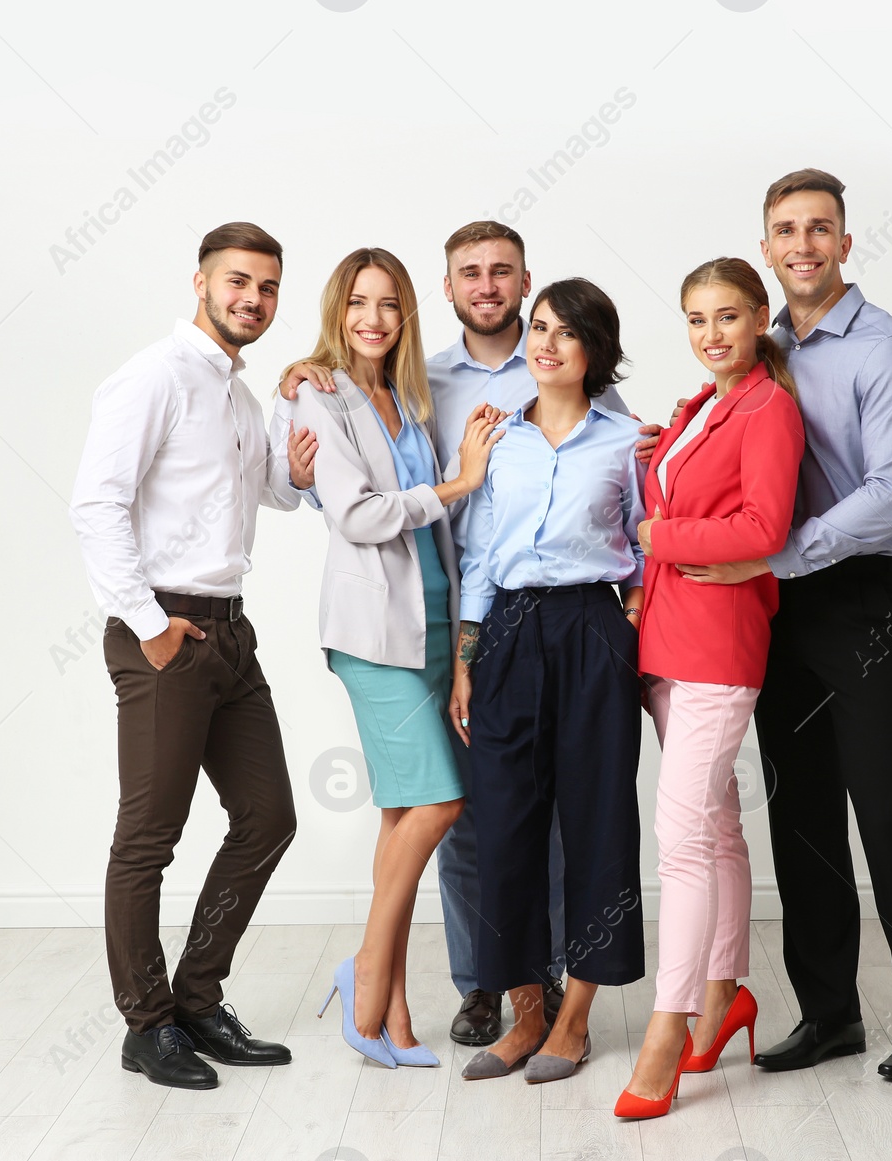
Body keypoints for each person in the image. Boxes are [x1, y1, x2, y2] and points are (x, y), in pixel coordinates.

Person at [275, 222, 658, 1048]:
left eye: (502, 272)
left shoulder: (564, 352)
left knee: (555, 813)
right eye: (469, 273)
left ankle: (552, 981)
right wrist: (303, 464)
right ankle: (484, 982)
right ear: (447, 290)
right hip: (453, 615)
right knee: (469, 812)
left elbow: (629, 478)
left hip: (524, 616)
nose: (487, 285)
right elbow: (370, 487)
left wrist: (633, 607)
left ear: (526, 281)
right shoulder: (424, 380)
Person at [674, 169, 892, 1081]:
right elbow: (722, 437)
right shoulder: (757, 350)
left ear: (846, 242)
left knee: (884, 805)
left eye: (820, 228)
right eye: (786, 230)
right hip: (769, 604)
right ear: (765, 248)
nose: (803, 243)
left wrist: (776, 553)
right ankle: (830, 1014)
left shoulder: (887, 352)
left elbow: (889, 501)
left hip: (854, 598)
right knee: (799, 813)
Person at [71, 222, 300, 1090]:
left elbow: (274, 490)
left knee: (268, 816)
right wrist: (147, 622)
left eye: (268, 287)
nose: (253, 298)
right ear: (200, 281)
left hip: (230, 633)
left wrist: (297, 424)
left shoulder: (239, 396)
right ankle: (147, 1023)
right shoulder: (153, 377)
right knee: (148, 839)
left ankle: (198, 1000)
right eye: (238, 281)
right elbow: (96, 504)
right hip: (164, 630)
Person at [294, 247, 505, 1069]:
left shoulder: (404, 399)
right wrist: (460, 483)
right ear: (337, 311)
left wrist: (461, 642)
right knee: (442, 806)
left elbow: (429, 537)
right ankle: (365, 972)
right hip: (373, 634)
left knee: (398, 815)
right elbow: (357, 513)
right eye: (358, 303)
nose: (373, 319)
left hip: (433, 621)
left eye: (389, 305)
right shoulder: (318, 393)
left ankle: (393, 1011)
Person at [614, 258, 805, 1119]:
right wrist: (664, 458)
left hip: (720, 646)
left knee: (681, 836)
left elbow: (767, 528)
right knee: (717, 822)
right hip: (666, 641)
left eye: (728, 317)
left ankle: (668, 1022)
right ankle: (726, 990)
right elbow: (700, 496)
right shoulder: (702, 404)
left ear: (760, 316)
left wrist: (659, 530)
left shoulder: (770, 407)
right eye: (697, 319)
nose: (712, 334)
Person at [451, 279, 647, 1084]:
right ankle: (525, 1013)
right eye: (538, 328)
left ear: (595, 350)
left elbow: (648, 541)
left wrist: (630, 622)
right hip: (505, 632)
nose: (546, 343)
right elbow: (478, 551)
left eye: (566, 332)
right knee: (502, 826)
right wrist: (467, 655)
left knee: (599, 822)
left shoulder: (629, 440)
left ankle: (574, 1021)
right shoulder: (501, 438)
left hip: (591, 628)